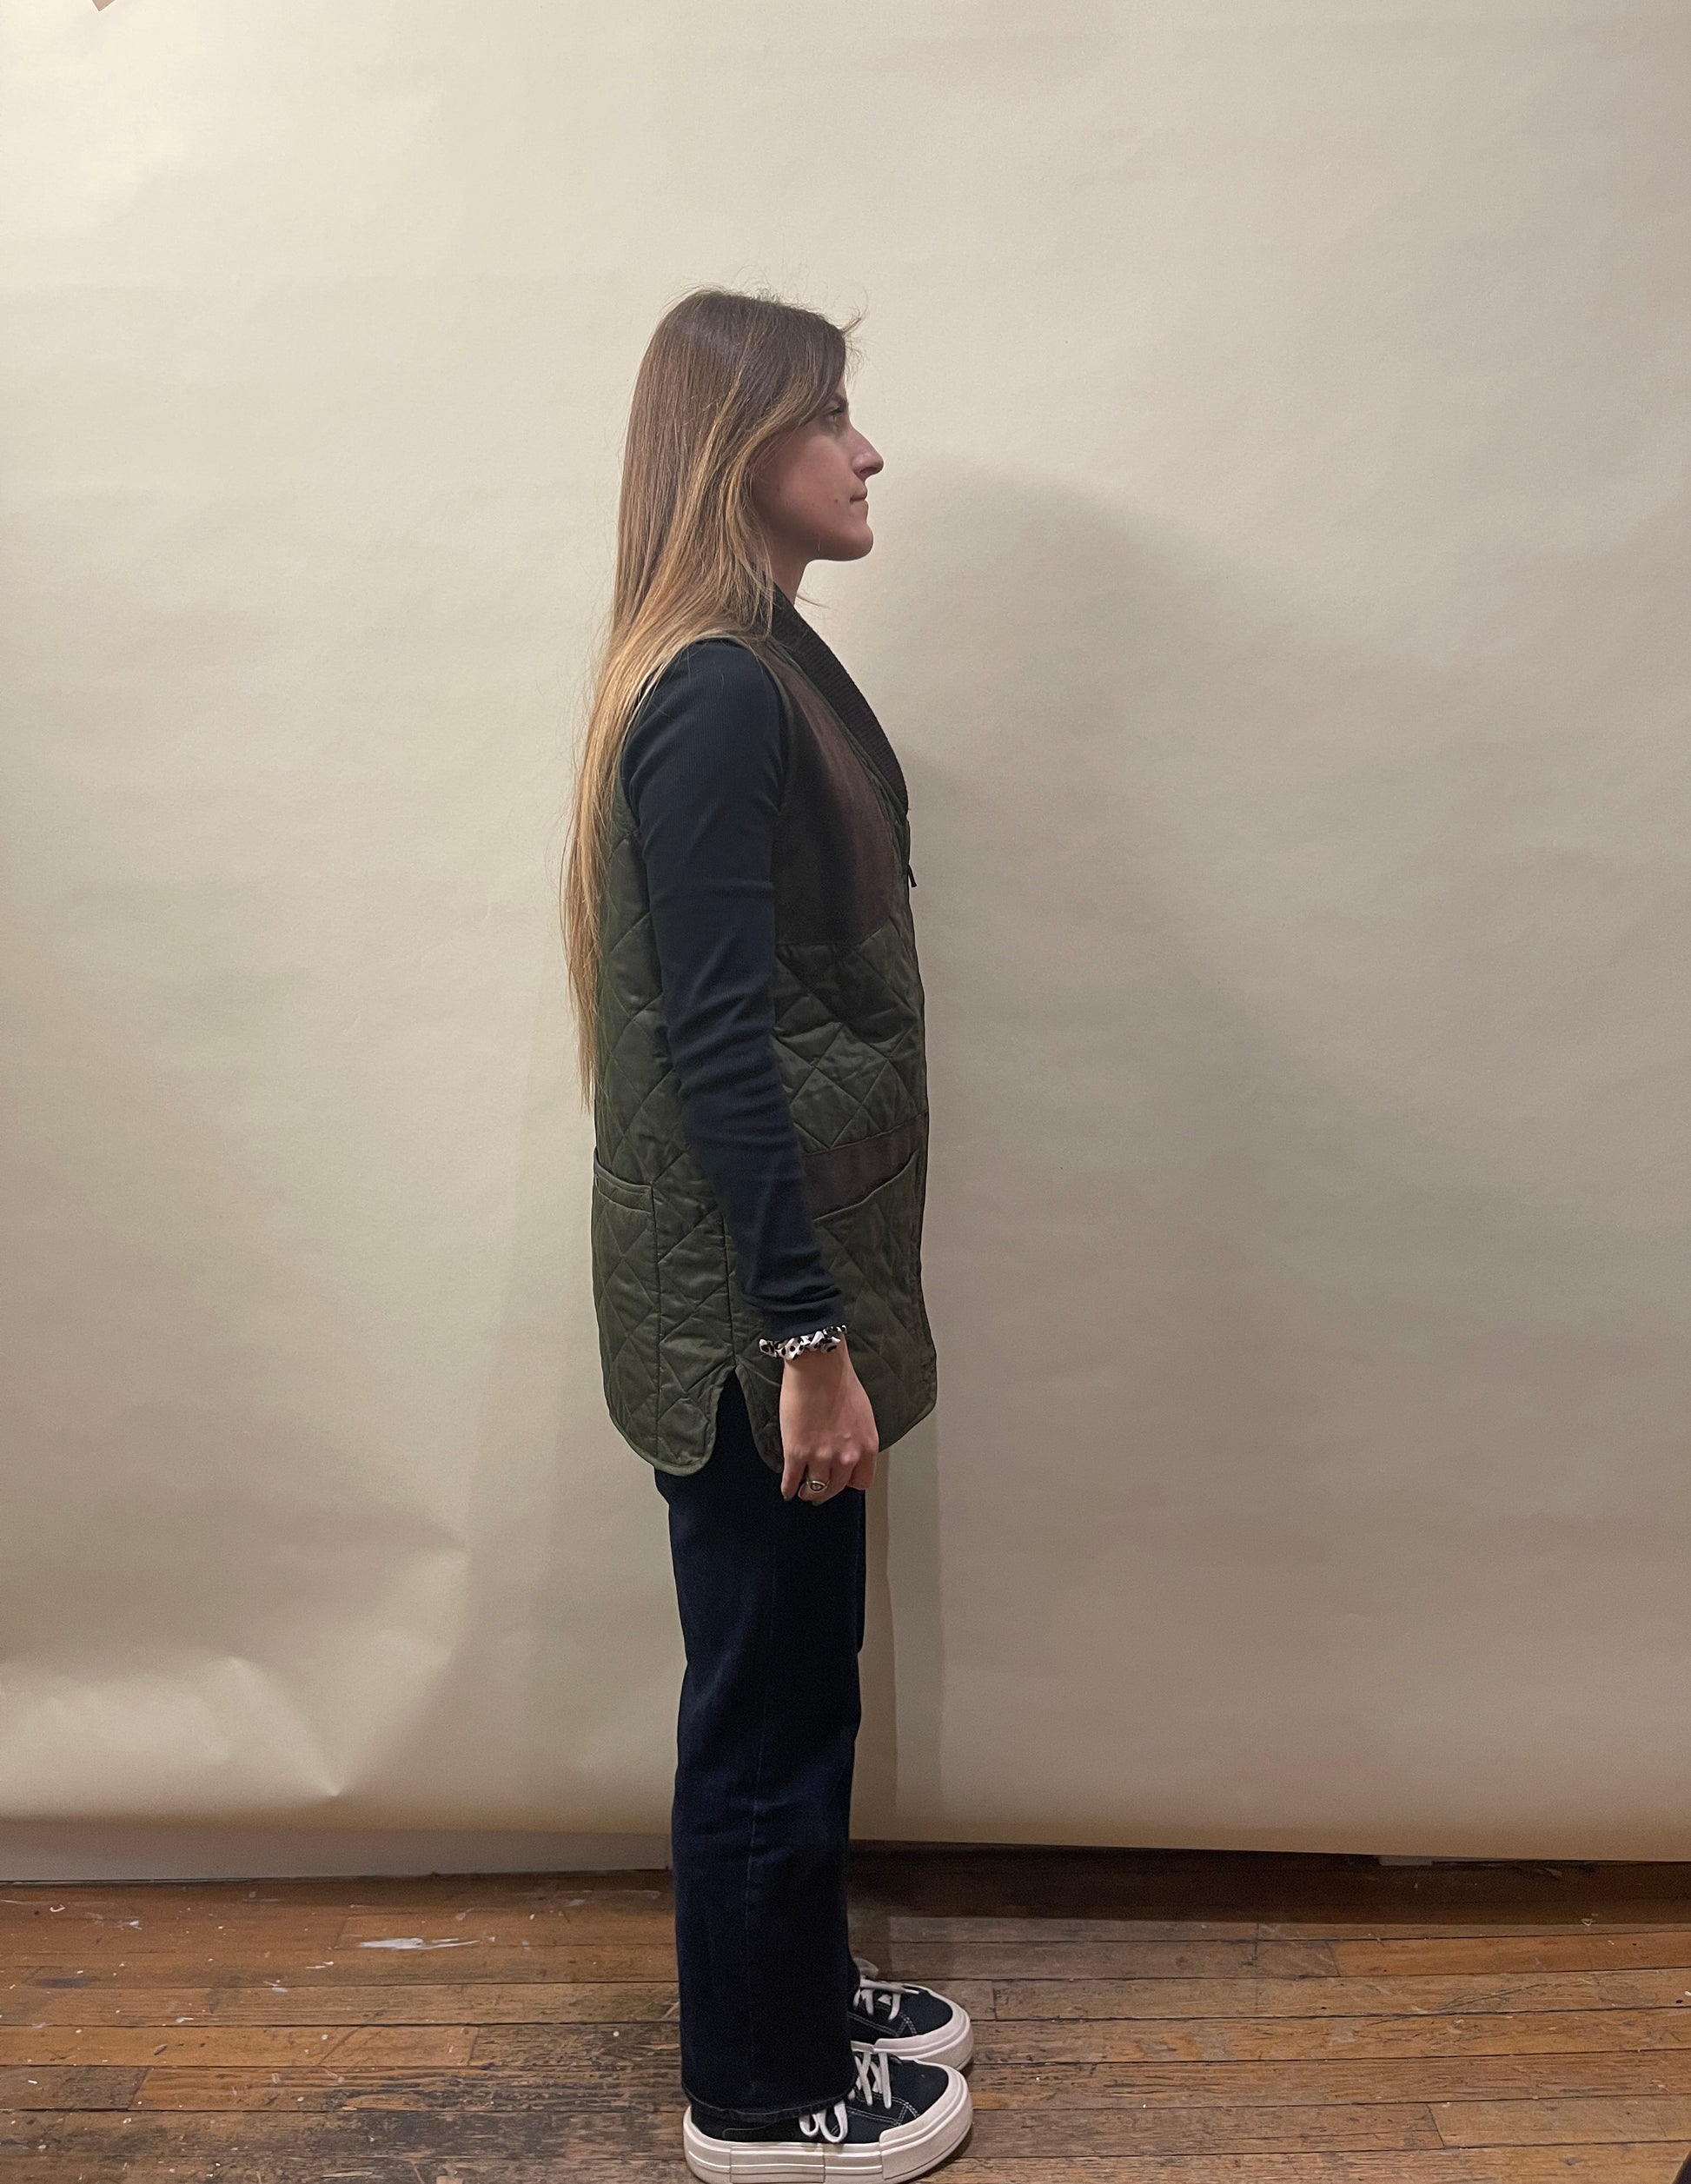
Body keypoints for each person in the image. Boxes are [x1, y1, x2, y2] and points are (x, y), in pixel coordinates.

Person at [561, 286, 973, 2181]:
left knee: (806, 1673)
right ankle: (758, 2090)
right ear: (740, 453)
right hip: (752, 1314)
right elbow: (717, 1042)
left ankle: (793, 1982)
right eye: (829, 418)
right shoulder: (719, 687)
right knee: (764, 1701)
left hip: (782, 1283)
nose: (867, 450)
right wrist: (803, 1337)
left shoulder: (760, 658)